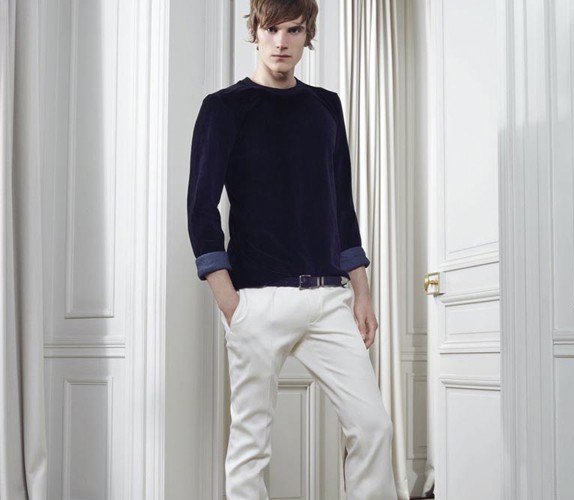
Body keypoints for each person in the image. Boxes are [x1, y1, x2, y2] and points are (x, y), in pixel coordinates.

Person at [187, 0, 398, 498]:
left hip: (328, 298)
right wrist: (229, 301)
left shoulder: (326, 106)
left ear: (308, 35)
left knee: (373, 426)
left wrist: (361, 291)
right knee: (250, 444)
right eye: (271, 29)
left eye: (294, 30)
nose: (281, 42)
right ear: (255, 32)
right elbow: (200, 207)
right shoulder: (224, 107)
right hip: (257, 299)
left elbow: (341, 204)